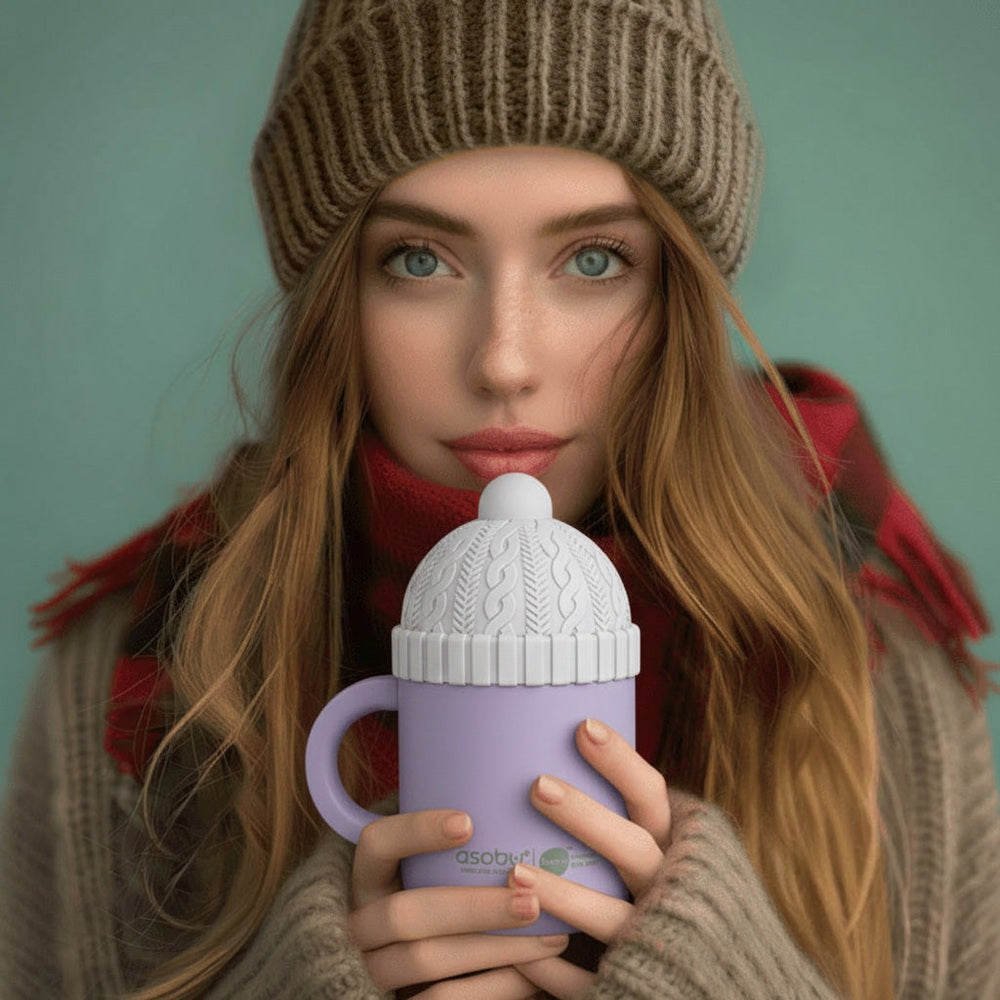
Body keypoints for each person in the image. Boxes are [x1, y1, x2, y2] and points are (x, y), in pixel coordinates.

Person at [1, 0, 998, 998]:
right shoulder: (141, 697)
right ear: (335, 297)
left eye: (595, 260)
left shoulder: (874, 688)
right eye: (419, 260)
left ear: (677, 298)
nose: (504, 361)